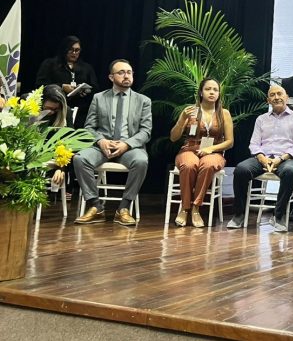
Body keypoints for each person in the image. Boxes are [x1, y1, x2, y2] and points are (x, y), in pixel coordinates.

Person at [72, 59, 152, 226]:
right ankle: (95, 206)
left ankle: (124, 208)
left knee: (141, 161)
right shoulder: (99, 98)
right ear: (111, 77)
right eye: (121, 73)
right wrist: (101, 141)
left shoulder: (143, 100)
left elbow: (145, 132)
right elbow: (89, 127)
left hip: (129, 147)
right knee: (80, 159)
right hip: (103, 146)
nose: (126, 76)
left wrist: (126, 144)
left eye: (129, 72)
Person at [228, 85, 293, 232]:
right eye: (272, 95)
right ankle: (239, 214)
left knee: (290, 171)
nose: (276, 97)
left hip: (286, 159)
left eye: (279, 94)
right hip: (262, 158)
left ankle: (278, 215)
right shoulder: (261, 119)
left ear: (286, 97)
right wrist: (262, 158)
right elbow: (254, 144)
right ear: (268, 100)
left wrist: (280, 159)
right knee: (241, 170)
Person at [170, 78, 234, 228]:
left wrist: (210, 149)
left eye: (215, 90)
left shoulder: (224, 113)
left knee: (208, 164)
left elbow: (230, 142)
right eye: (208, 89)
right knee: (189, 164)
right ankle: (185, 208)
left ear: (219, 93)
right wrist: (182, 119)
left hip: (214, 151)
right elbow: (173, 137)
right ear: (200, 92)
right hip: (190, 149)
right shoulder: (191, 111)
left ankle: (196, 208)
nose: (212, 92)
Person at [36, 35, 99, 129]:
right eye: (71, 50)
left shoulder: (86, 68)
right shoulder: (50, 64)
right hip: (55, 109)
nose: (74, 53)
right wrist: (61, 87)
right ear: (64, 49)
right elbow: (40, 85)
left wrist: (85, 91)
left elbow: (95, 88)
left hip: (80, 110)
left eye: (77, 50)